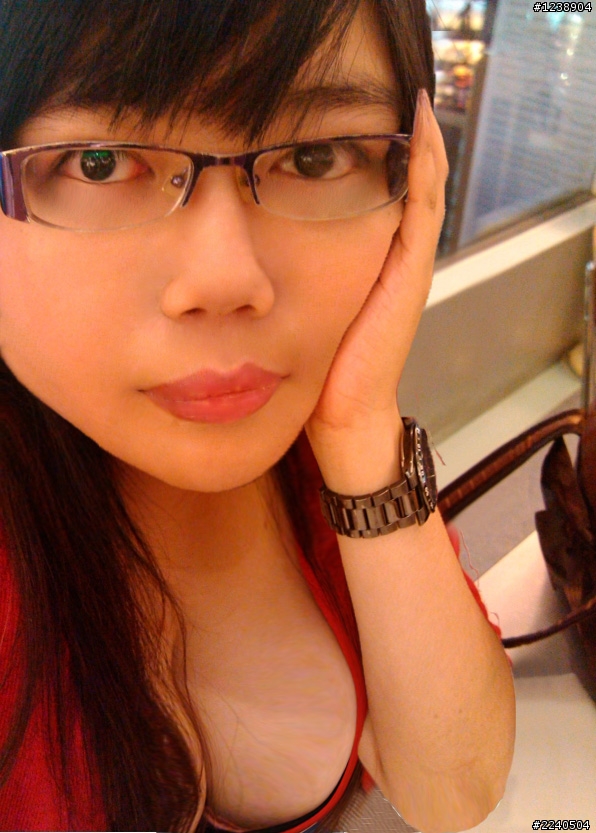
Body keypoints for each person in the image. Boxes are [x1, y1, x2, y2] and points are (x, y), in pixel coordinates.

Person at [0, 0, 515, 831]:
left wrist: (360, 429)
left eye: (315, 157)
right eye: (100, 163)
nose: (226, 277)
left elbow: (453, 791)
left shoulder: (319, 461)